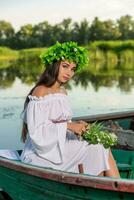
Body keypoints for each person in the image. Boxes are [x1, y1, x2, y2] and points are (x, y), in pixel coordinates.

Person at [21, 41, 120, 178]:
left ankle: (110, 187)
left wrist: (77, 125)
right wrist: (69, 126)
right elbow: (37, 132)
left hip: (61, 143)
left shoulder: (63, 92)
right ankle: (117, 188)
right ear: (54, 65)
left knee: (99, 146)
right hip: (43, 152)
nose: (69, 73)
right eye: (65, 66)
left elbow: (63, 121)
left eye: (73, 69)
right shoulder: (40, 91)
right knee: (99, 147)